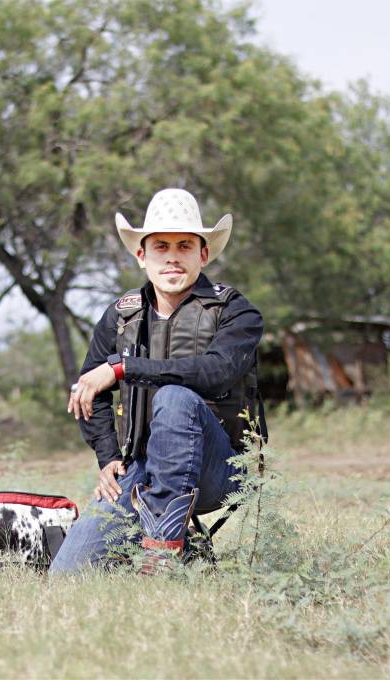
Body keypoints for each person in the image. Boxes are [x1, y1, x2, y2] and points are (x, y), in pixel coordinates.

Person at [50, 188, 266, 573]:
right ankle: (179, 544)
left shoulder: (235, 311)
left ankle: (164, 552)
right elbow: (89, 391)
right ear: (141, 255)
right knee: (69, 574)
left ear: (203, 253)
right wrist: (108, 458)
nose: (171, 257)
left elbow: (216, 373)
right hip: (143, 466)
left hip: (220, 467)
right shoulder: (120, 316)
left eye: (184, 246)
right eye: (160, 246)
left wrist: (124, 368)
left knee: (175, 398)